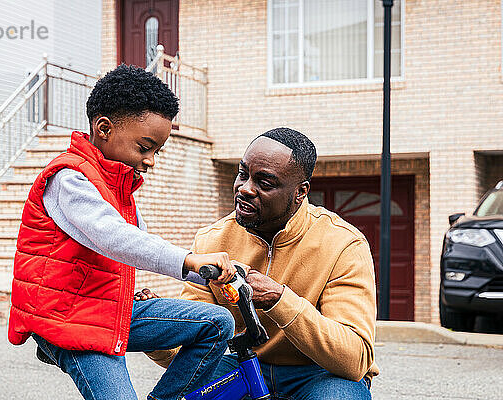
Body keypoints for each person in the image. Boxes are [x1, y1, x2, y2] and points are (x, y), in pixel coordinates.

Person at [8, 64, 238, 400]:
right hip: (70, 318)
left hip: (108, 308)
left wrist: (210, 275)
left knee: (217, 323)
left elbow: (138, 245)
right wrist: (189, 260)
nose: (151, 161)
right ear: (104, 128)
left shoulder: (119, 185)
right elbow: (117, 239)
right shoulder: (69, 179)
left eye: (157, 150)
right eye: (145, 147)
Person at [143, 127, 378, 399]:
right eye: (243, 174)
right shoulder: (212, 240)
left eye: (264, 184)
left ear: (300, 193)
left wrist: (279, 299)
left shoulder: (343, 244)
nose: (244, 189)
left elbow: (353, 359)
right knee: (183, 391)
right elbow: (193, 356)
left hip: (320, 373)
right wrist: (159, 334)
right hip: (244, 364)